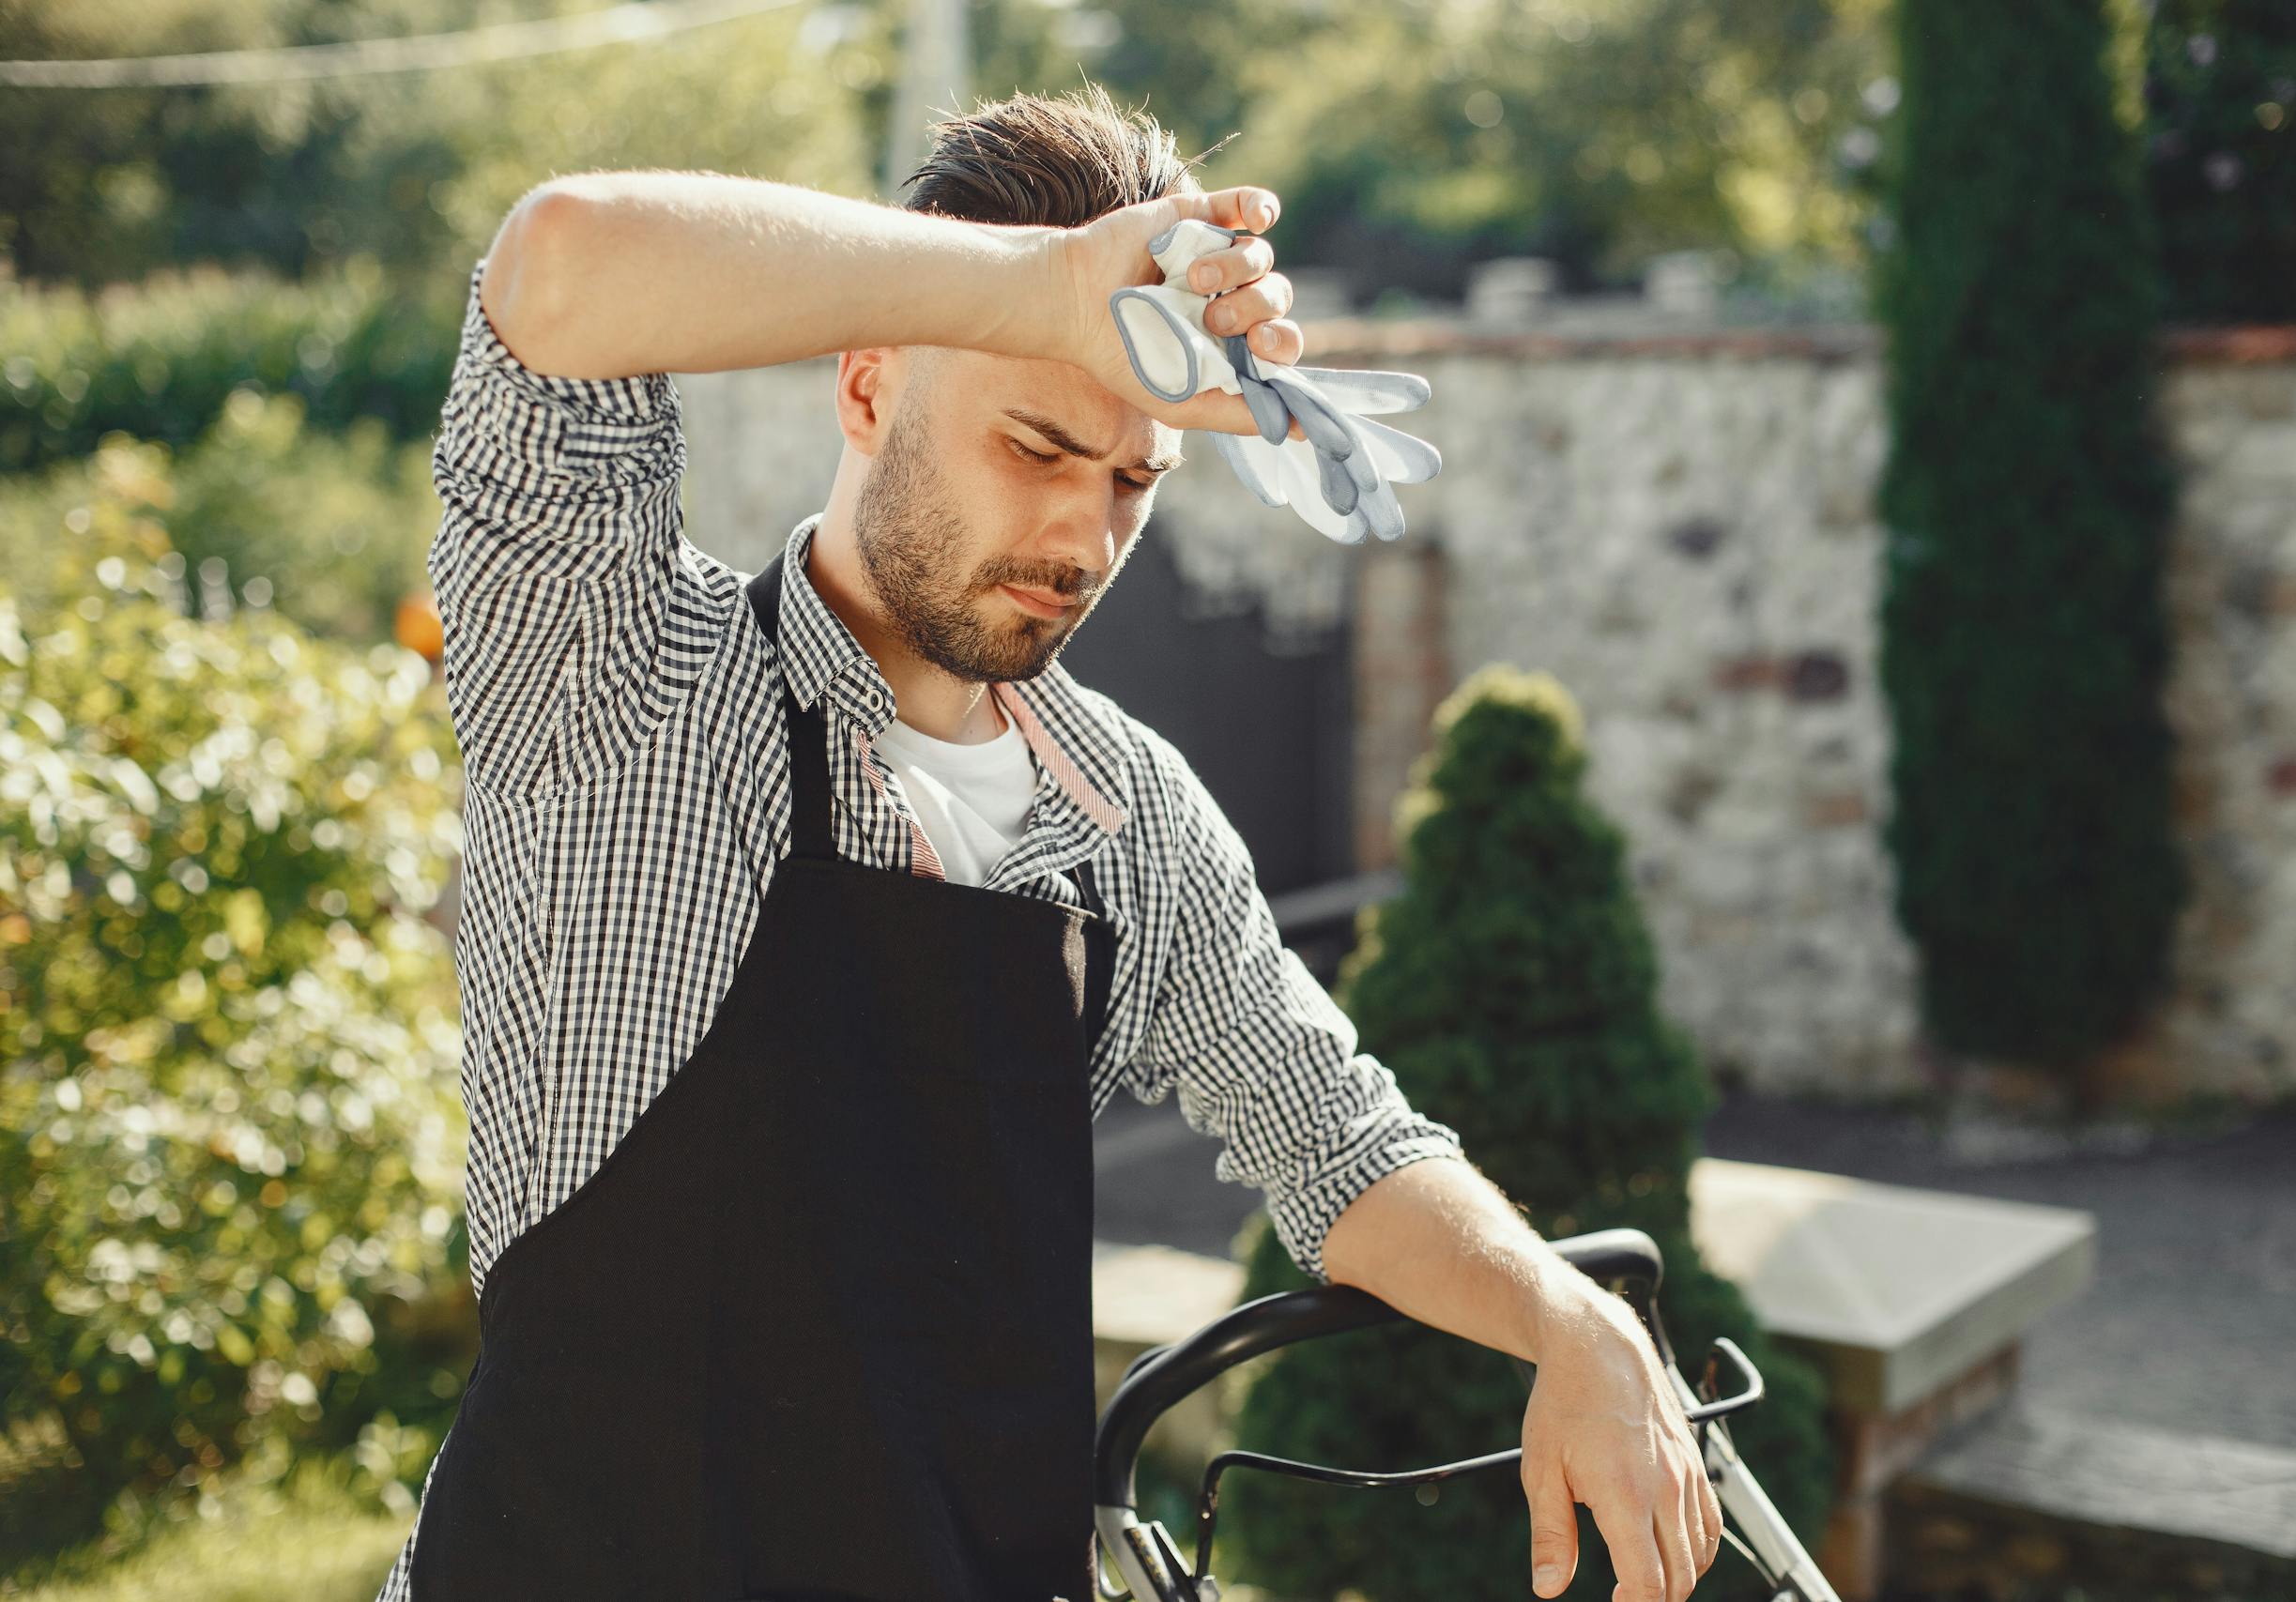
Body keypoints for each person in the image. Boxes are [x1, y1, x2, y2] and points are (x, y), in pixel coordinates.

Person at [378, 83, 1720, 1602]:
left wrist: (1565, 1316)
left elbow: (1338, 1143)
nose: (1085, 540)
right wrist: (1051, 291)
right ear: (868, 388)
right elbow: (559, 266)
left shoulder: (1126, 815)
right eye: (1035, 444)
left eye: (1134, 479)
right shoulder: (620, 676)